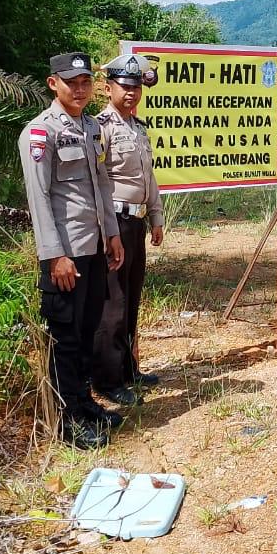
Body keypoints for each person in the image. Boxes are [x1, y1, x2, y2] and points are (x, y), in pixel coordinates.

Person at [18, 52, 126, 448]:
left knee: (86, 330)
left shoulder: (92, 127)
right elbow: (39, 197)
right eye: (71, 83)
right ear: (53, 84)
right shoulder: (40, 132)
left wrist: (112, 234)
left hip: (93, 246)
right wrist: (54, 255)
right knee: (64, 339)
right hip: (65, 254)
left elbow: (102, 185)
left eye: (85, 83)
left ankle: (84, 404)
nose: (79, 90)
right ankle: (66, 421)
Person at [92, 53, 164, 407]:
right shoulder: (100, 128)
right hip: (114, 224)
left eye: (136, 87)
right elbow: (97, 183)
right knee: (113, 303)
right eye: (124, 86)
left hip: (135, 222)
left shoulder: (139, 128)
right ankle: (107, 380)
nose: (131, 93)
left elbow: (148, 177)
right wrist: (109, 232)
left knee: (132, 299)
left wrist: (156, 217)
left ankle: (127, 369)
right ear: (109, 89)